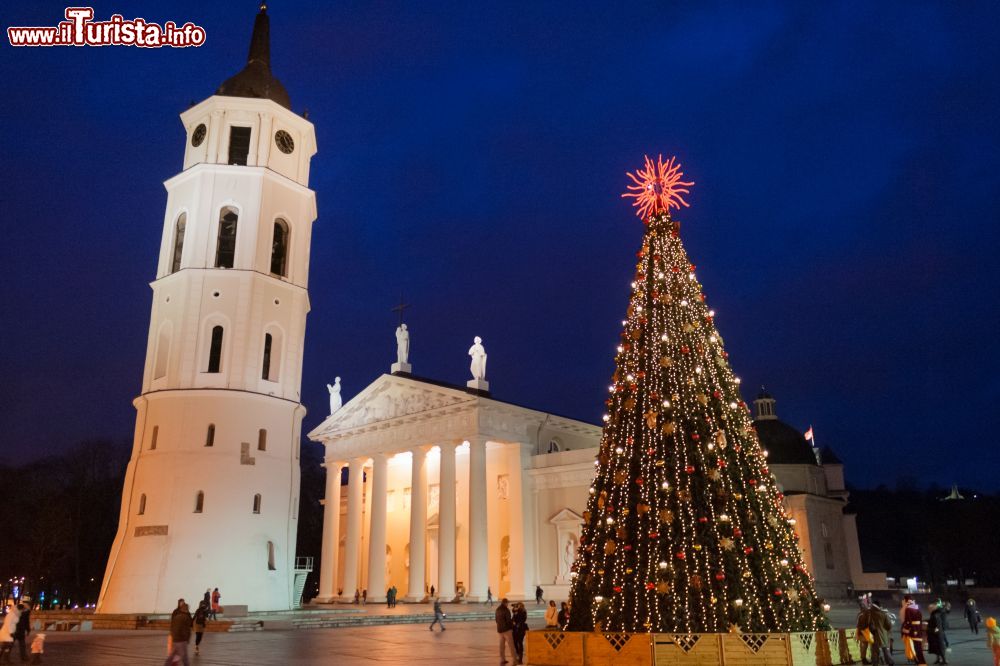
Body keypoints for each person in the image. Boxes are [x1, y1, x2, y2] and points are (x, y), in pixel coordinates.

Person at [163, 599, 193, 666]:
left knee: (171, 656)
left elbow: (172, 626)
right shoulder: (186, 617)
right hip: (181, 640)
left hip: (175, 639)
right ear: (186, 609)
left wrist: (172, 636)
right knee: (185, 657)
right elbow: (187, 629)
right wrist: (187, 639)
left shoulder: (176, 616)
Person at [901, 597, 926, 666]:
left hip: (912, 630)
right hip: (918, 629)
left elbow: (908, 621)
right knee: (918, 648)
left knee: (914, 648)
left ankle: (920, 662)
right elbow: (920, 621)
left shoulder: (908, 609)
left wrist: (905, 629)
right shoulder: (917, 609)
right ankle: (921, 662)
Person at [869, 600, 895, 666]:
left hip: (874, 635)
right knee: (885, 649)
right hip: (883, 635)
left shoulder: (870, 613)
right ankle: (890, 662)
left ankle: (875, 663)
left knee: (875, 650)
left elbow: (869, 625)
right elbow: (889, 626)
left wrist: (873, 632)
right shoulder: (883, 614)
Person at [495, 598, 518, 665]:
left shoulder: (497, 609)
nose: (508, 604)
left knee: (501, 646)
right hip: (507, 630)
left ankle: (502, 659)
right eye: (507, 603)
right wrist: (512, 625)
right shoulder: (506, 610)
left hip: (500, 630)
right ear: (505, 603)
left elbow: (496, 620)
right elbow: (508, 621)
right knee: (511, 645)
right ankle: (514, 659)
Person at [856, 595, 873, 665]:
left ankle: (864, 659)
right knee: (871, 645)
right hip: (866, 632)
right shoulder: (866, 613)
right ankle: (871, 658)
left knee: (864, 646)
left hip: (861, 632)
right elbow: (868, 623)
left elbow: (857, 624)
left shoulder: (859, 614)